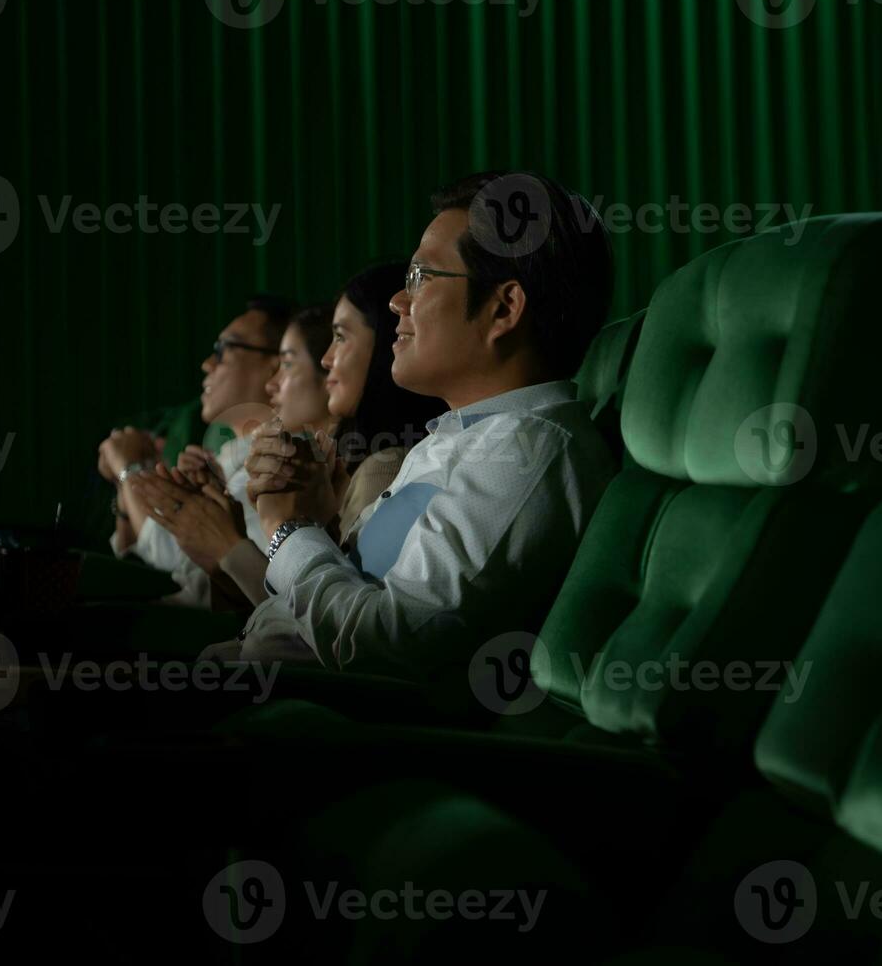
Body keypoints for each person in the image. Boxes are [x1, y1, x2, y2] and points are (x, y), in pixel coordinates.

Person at [223, 171, 617, 679]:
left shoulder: (525, 449)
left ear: (504, 308)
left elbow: (387, 645)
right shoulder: (462, 434)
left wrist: (286, 531)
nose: (397, 302)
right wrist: (316, 519)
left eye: (421, 278)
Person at [126, 265, 443, 607]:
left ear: (383, 345)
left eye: (340, 337)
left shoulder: (383, 467)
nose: (327, 360)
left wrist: (241, 543)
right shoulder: (335, 467)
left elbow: (327, 629)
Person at [98, 295, 292, 603]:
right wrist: (129, 488)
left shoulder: (280, 460)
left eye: (223, 349)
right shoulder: (229, 455)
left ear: (277, 364)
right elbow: (134, 557)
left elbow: (170, 561)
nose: (207, 364)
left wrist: (130, 468)